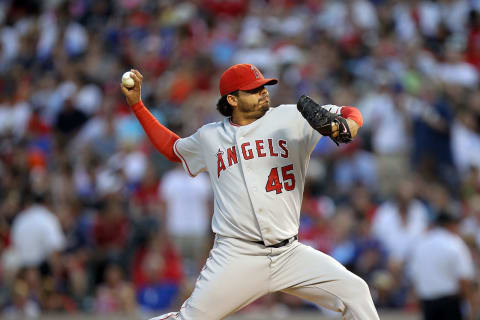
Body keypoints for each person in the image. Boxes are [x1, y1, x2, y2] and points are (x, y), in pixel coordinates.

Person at [120, 64, 380, 320]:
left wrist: (349, 126)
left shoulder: (291, 118)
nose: (264, 92)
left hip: (289, 253)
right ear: (232, 99)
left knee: (355, 292)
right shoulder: (210, 137)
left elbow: (349, 112)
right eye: (254, 89)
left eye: (264, 86)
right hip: (236, 256)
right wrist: (138, 106)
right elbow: (172, 148)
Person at [408, 210, 478, 320]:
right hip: (450, 303)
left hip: (427, 303)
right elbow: (464, 278)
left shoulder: (421, 243)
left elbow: (414, 275)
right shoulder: (454, 243)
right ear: (450, 225)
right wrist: (471, 306)